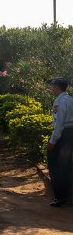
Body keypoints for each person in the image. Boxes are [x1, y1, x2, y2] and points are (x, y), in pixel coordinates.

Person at [47, 77, 73, 207]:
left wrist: (52, 141)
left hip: (62, 136)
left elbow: (59, 124)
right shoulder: (70, 99)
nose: (51, 88)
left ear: (57, 87)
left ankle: (60, 197)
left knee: (55, 166)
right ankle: (68, 196)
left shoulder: (59, 102)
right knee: (67, 166)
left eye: (52, 86)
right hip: (70, 135)